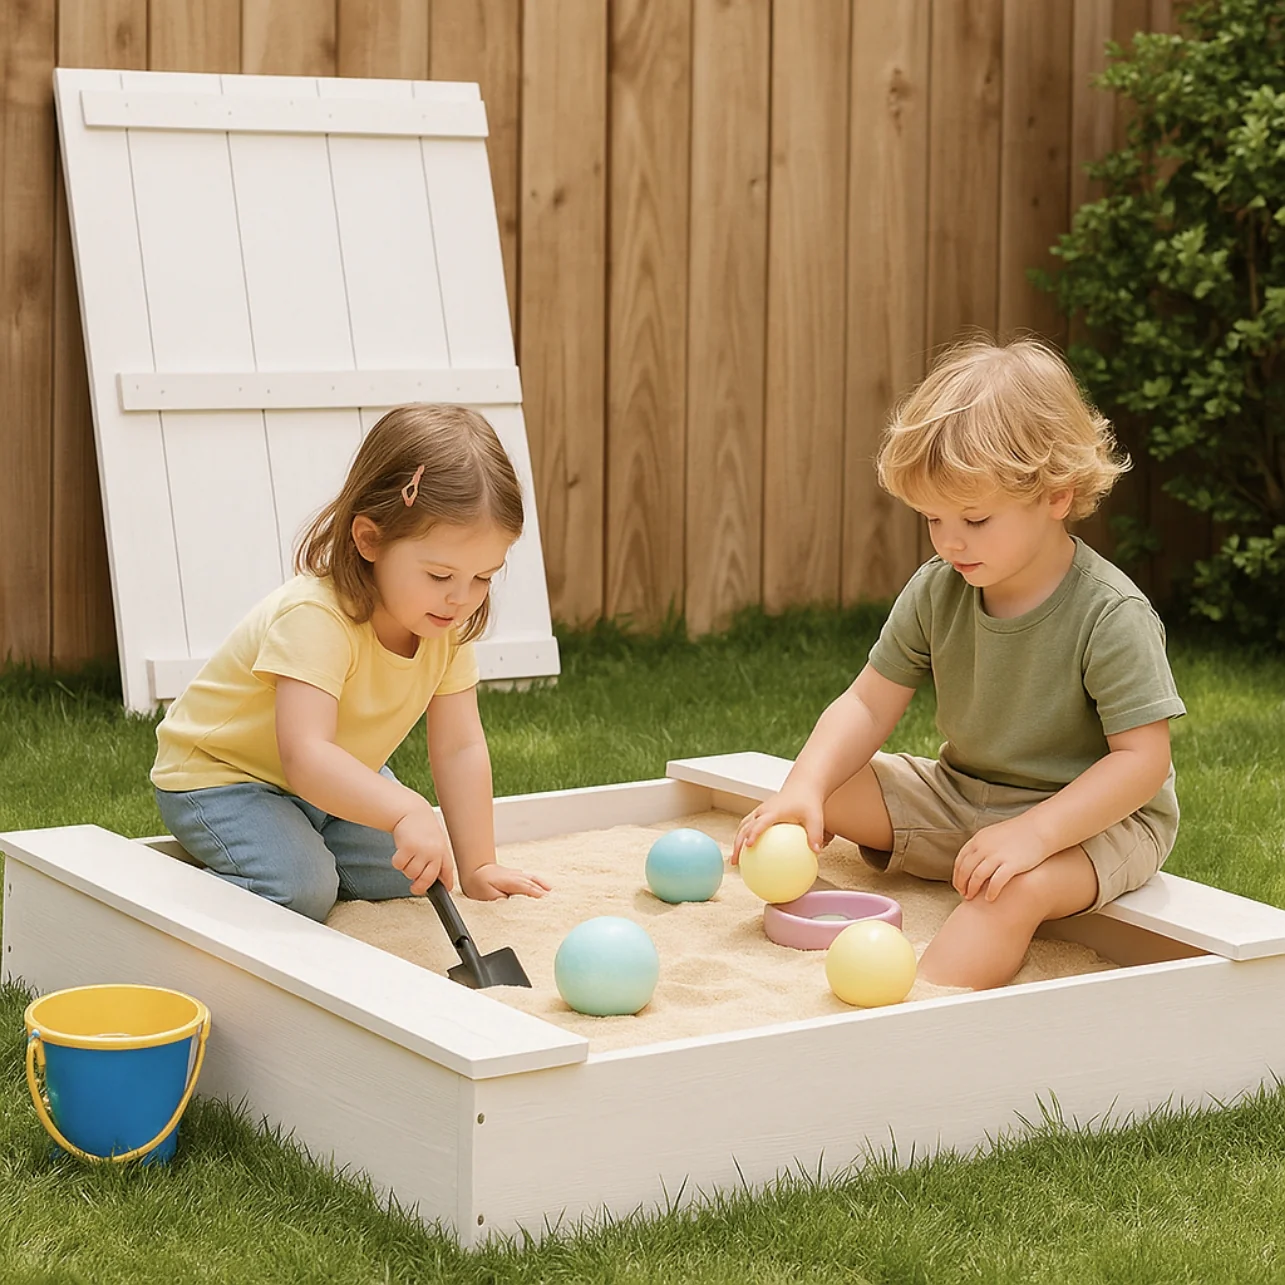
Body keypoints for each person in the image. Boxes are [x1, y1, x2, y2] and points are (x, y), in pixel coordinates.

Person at [733, 338, 1185, 991]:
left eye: (973, 517)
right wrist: (803, 786)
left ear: (1055, 494)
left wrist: (1033, 834)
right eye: (932, 518)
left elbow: (1140, 762)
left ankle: (926, 1007)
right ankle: (893, 833)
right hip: (963, 794)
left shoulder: (1109, 613)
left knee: (1011, 889)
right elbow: (866, 703)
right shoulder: (937, 587)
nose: (949, 540)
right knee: (819, 788)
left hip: (1090, 823)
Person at [152, 404, 550, 922]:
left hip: (330, 781)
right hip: (225, 778)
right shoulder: (315, 616)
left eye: (482, 578)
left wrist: (478, 864)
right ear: (370, 540)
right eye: (439, 575)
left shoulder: (442, 625)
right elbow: (307, 754)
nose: (461, 598)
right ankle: (175, 888)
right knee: (303, 889)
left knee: (416, 876)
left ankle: (299, 839)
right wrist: (404, 807)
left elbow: (460, 746)